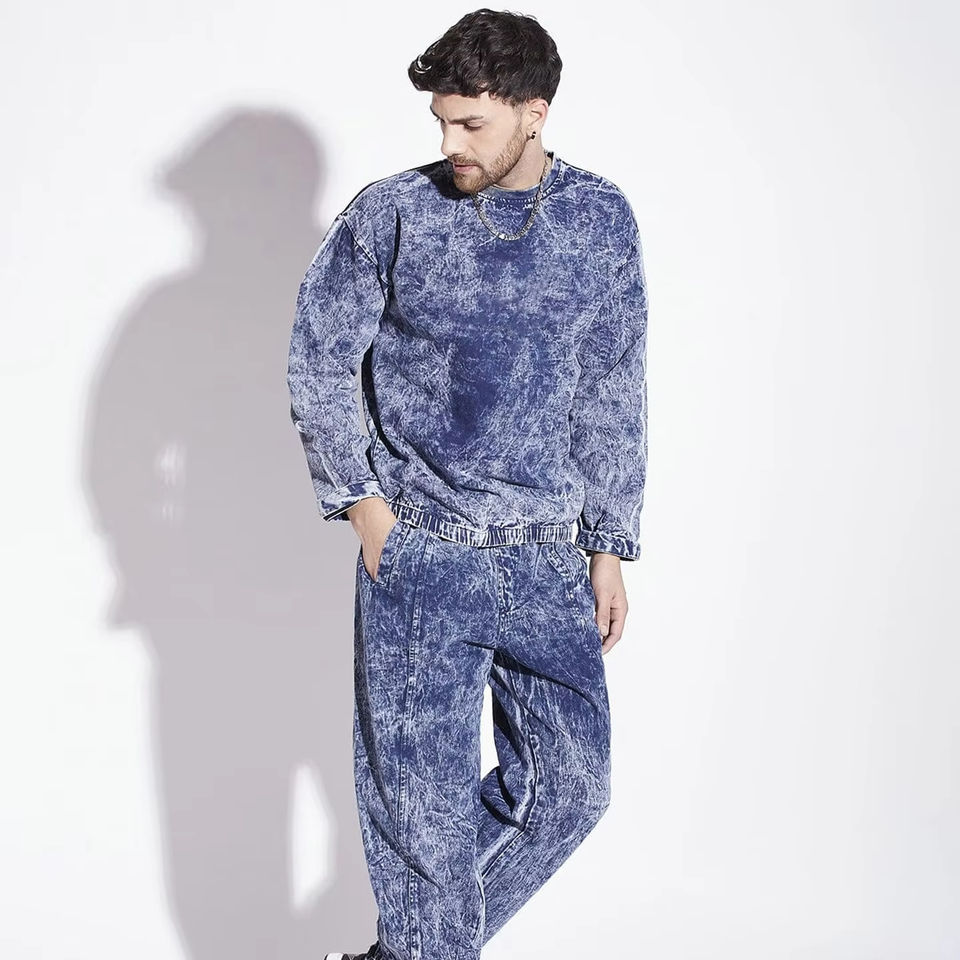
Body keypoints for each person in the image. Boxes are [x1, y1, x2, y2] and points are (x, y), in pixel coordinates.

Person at [286, 8, 649, 960]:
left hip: (547, 559)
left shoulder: (599, 218)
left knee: (569, 791)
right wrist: (368, 511)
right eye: (441, 121)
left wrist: (608, 546)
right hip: (424, 555)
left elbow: (613, 382)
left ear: (534, 112)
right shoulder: (391, 214)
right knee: (423, 828)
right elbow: (319, 361)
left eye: (471, 123)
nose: (450, 142)